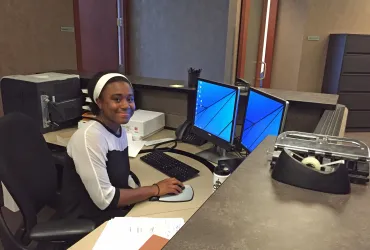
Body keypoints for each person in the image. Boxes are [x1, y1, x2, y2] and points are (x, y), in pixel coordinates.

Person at [61, 72, 184, 226]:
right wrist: (155, 189)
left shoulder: (119, 130)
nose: (126, 105)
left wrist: (147, 192)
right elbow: (105, 199)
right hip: (90, 218)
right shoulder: (89, 137)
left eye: (130, 99)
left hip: (114, 209)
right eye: (117, 99)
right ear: (99, 102)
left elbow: (123, 175)